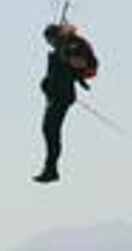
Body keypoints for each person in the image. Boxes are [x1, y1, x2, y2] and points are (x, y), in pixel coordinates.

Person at [35, 23, 98, 183]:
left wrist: (67, 56)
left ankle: (51, 169)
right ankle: (50, 168)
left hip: (63, 96)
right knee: (49, 130)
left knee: (50, 129)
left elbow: (82, 64)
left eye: (50, 40)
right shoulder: (63, 46)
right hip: (56, 94)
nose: (50, 44)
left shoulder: (72, 45)